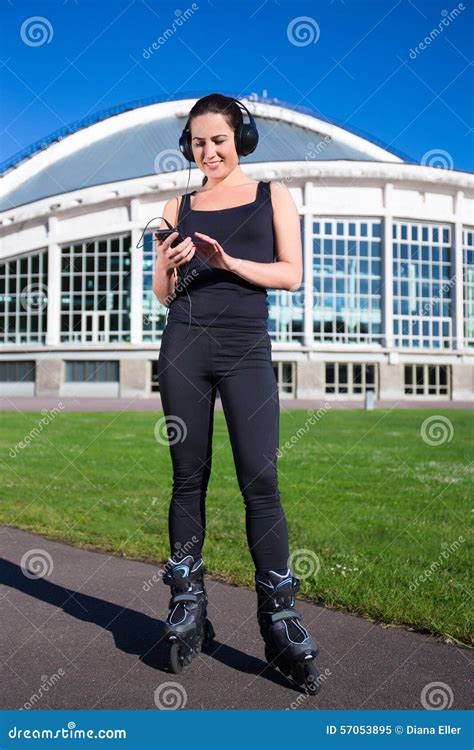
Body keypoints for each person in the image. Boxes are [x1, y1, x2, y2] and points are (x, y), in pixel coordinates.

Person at [153, 93, 320, 693]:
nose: (208, 152)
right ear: (188, 146)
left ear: (239, 138)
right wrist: (170, 263)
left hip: (247, 346)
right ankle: (187, 602)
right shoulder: (178, 204)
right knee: (187, 474)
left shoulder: (273, 194)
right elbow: (162, 294)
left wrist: (230, 262)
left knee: (260, 477)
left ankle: (278, 614)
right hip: (184, 345)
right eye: (198, 142)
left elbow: (291, 273)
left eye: (218, 139)